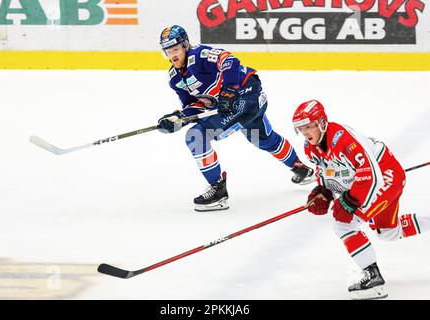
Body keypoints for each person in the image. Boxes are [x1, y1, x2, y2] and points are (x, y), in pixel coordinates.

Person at [157, 25, 314, 212]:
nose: (172, 55)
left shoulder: (200, 55)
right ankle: (301, 169)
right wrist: (179, 118)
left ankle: (218, 191)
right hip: (244, 104)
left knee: (197, 136)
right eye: (167, 51)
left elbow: (229, 60)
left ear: (185, 45)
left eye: (175, 49)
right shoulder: (175, 79)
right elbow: (196, 106)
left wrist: (230, 90)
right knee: (262, 139)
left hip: (246, 97)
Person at [292, 99, 430, 300]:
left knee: (343, 224)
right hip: (373, 180)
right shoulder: (310, 148)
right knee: (389, 232)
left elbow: (370, 173)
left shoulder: (342, 139)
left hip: (385, 176)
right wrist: (324, 192)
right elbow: (329, 174)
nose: (305, 133)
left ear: (321, 122)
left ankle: (373, 279)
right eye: (301, 129)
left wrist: (350, 201)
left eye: (308, 126)